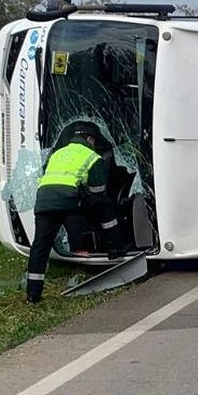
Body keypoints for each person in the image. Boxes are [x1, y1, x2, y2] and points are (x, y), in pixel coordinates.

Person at [25, 122, 122, 304]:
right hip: (69, 199)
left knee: (40, 246)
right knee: (105, 205)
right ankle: (114, 249)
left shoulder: (57, 153)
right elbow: (98, 190)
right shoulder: (92, 157)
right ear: (90, 139)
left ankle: (33, 294)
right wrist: (85, 196)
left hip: (44, 201)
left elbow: (47, 174)